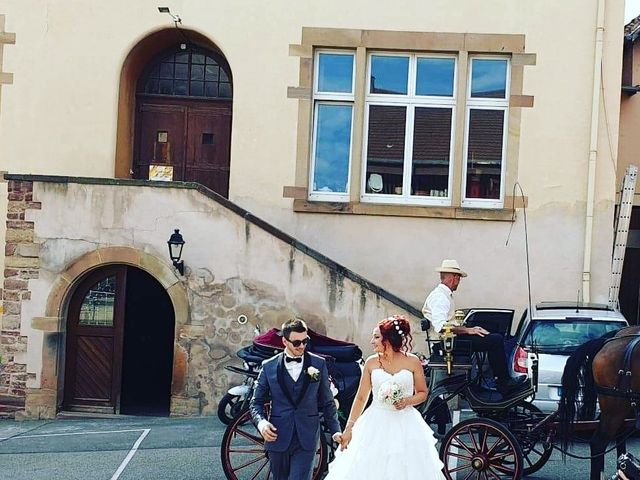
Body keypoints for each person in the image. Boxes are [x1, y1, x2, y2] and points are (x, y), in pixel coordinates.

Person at [324, 315, 445, 480]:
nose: (372, 341)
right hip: (375, 421)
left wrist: (407, 401)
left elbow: (423, 393)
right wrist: (349, 429)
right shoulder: (371, 363)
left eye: (376, 337)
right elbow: (361, 398)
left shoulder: (413, 362)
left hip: (406, 423)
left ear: (388, 339)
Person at [250, 318, 343, 480]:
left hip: (306, 437)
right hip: (277, 437)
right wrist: (262, 423)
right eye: (297, 342)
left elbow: (328, 402)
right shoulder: (268, 366)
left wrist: (335, 430)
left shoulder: (318, 364)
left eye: (305, 341)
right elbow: (255, 402)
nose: (302, 346)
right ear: (284, 341)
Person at [422, 259, 527, 396]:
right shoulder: (440, 297)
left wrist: (472, 329)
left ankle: (496, 381)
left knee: (490, 336)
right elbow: (441, 326)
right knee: (495, 340)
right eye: (458, 279)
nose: (458, 282)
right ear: (454, 278)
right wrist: (468, 330)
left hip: (450, 340)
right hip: (446, 344)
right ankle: (502, 382)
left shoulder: (442, 295)